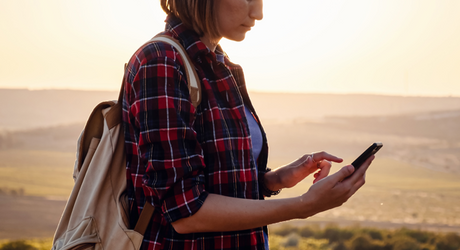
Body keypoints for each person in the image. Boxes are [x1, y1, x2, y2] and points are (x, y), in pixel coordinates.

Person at [122, 0, 375, 249]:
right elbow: (185, 211)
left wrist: (274, 179)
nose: (258, 12)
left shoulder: (219, 64)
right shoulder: (161, 61)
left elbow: (217, 180)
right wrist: (304, 205)